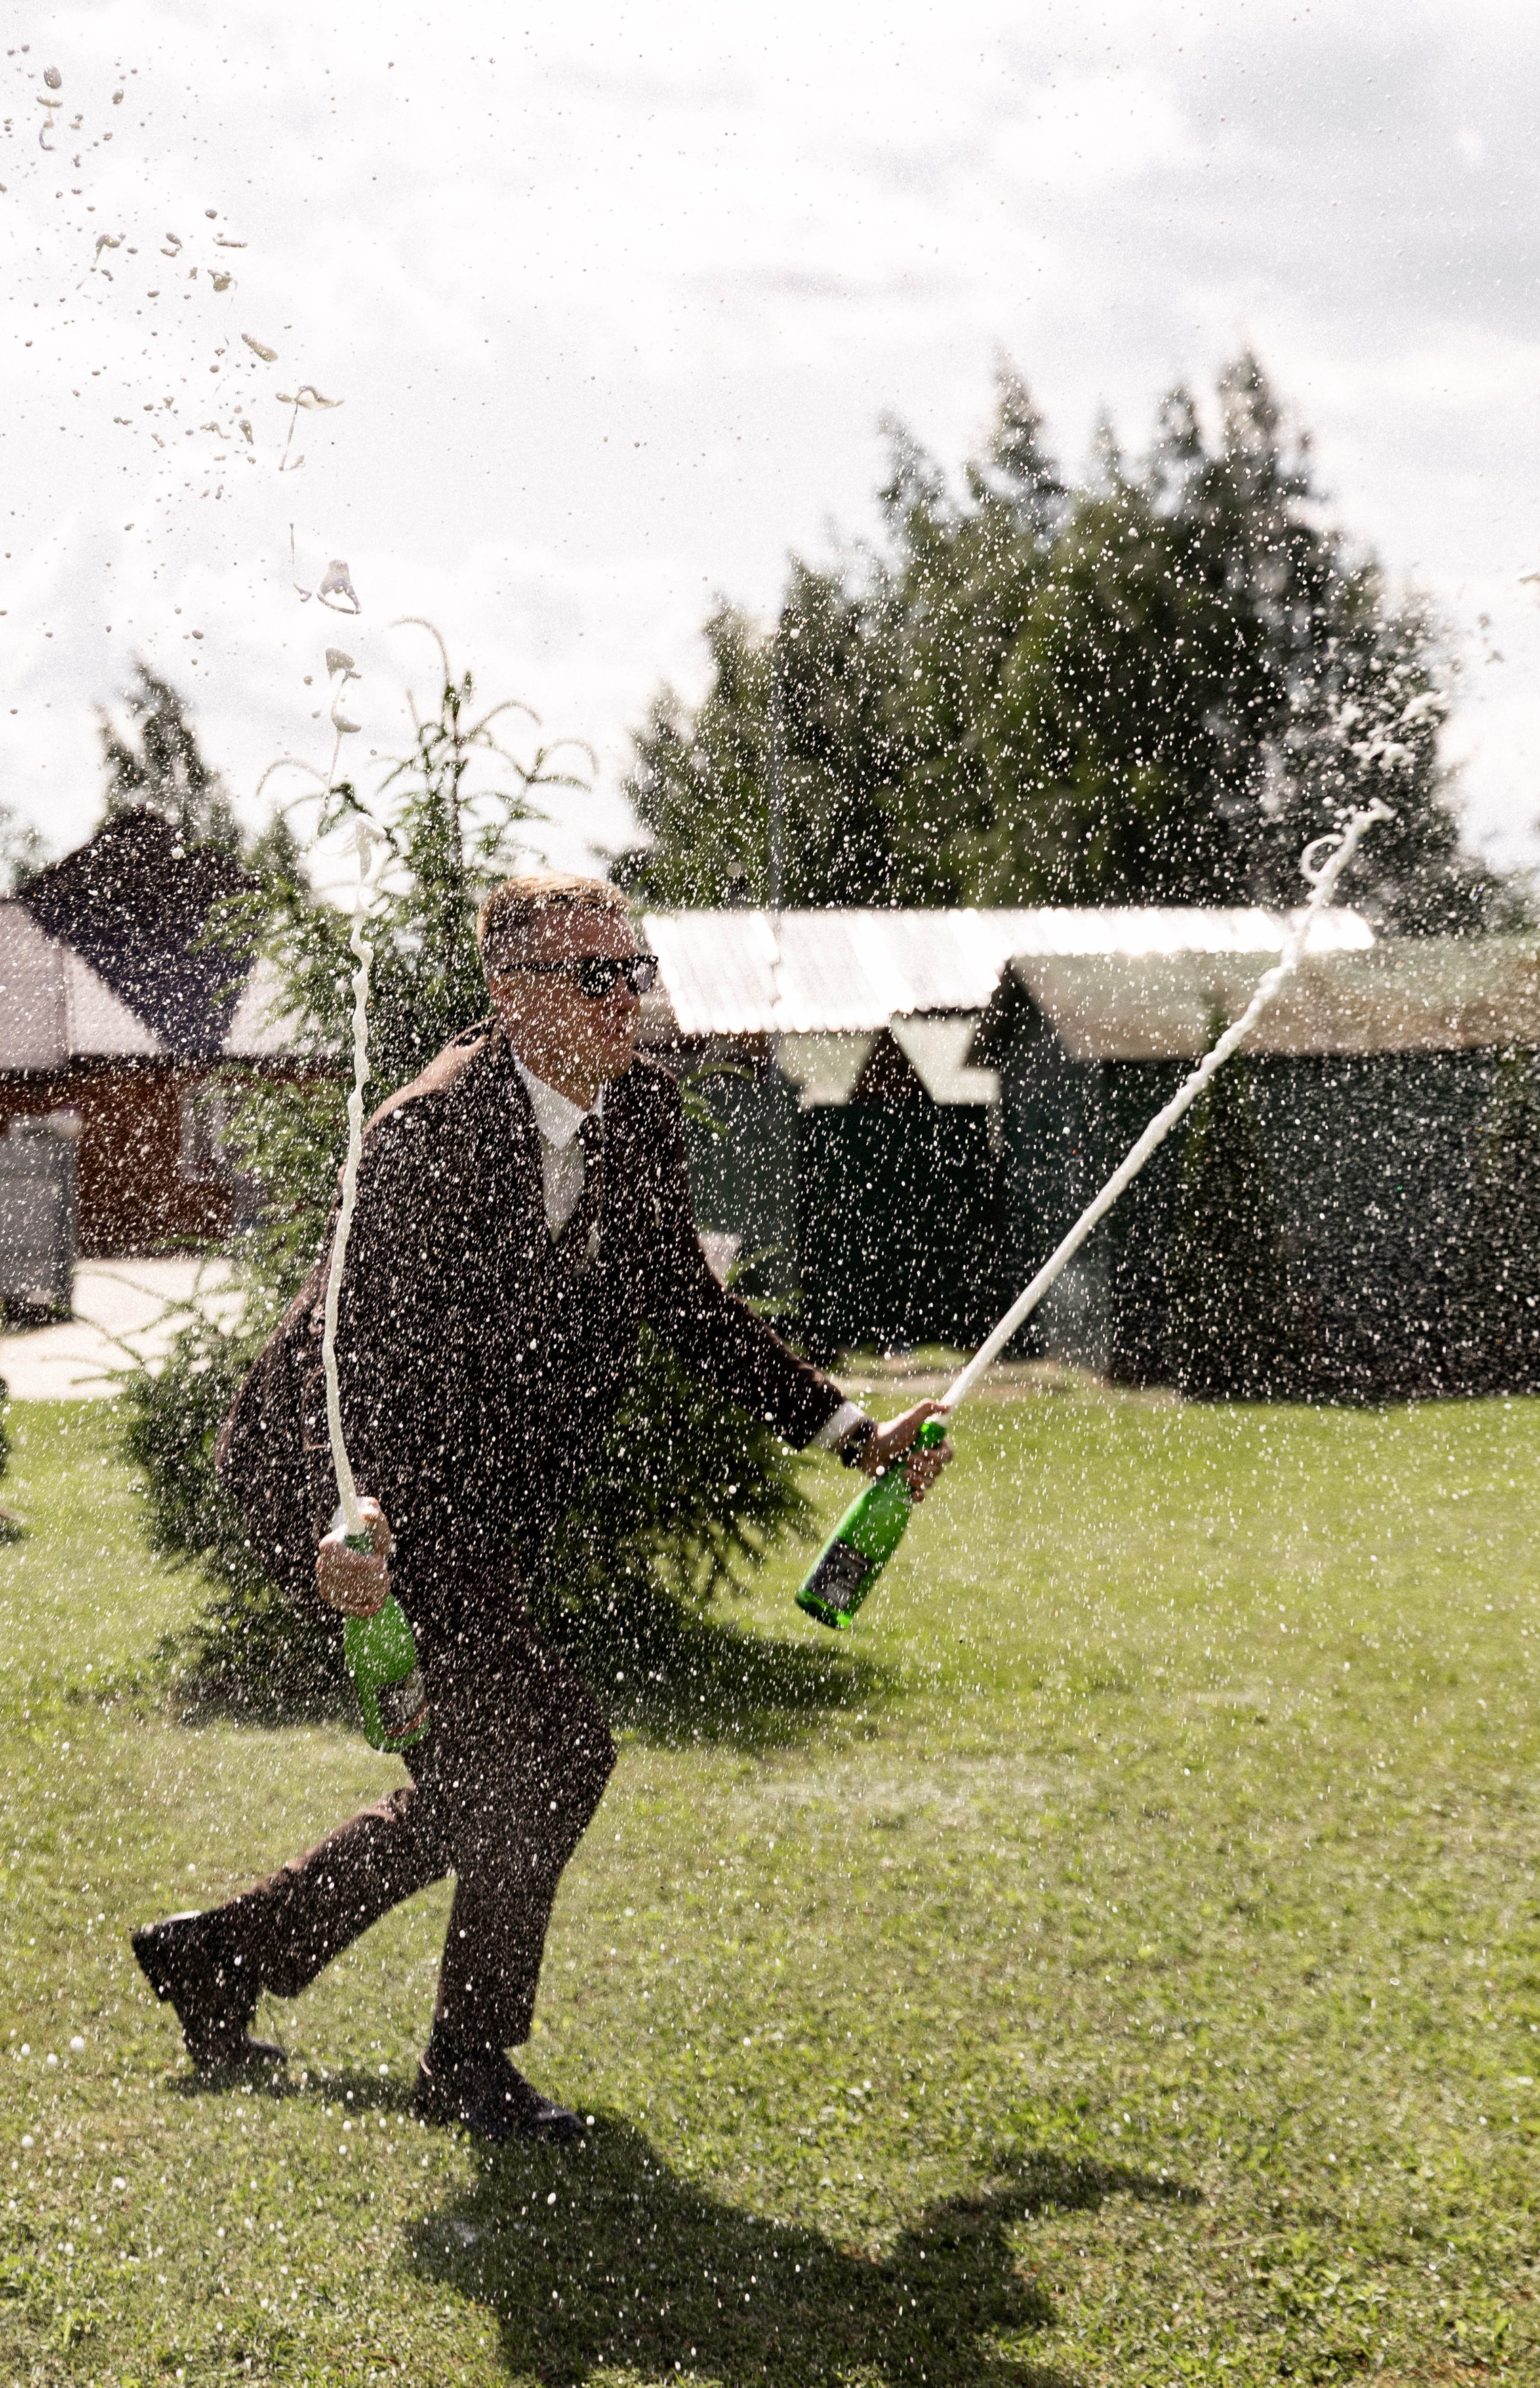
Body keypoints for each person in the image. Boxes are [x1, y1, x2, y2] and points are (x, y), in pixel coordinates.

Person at [131, 873, 950, 2140]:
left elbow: (683, 1301)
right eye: (596, 976)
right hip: (339, 1482)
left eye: (633, 970)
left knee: (482, 1779)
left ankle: (227, 1955)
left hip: (466, 1504)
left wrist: (849, 1431)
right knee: (551, 1751)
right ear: (512, 998)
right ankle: (464, 2064)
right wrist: (346, 1528)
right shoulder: (425, 1133)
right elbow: (363, 1357)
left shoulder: (638, 1117)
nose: (630, 998)